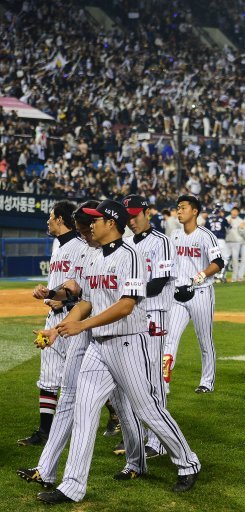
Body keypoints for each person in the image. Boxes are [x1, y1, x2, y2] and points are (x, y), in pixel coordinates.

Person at [35, 199, 200, 504]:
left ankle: (187, 461)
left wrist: (82, 327)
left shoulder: (131, 256)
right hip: (99, 347)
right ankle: (72, 485)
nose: (90, 225)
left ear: (111, 223)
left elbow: (126, 306)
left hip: (127, 343)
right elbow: (85, 301)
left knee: (148, 410)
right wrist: (56, 330)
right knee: (84, 412)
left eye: (96, 221)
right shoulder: (95, 257)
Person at [17, 201, 100, 489]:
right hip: (56, 316)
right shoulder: (60, 248)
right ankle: (45, 432)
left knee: (78, 381)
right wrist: (50, 293)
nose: (48, 222)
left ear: (62, 219)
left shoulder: (82, 247)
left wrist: (58, 296)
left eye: (51, 217)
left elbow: (79, 291)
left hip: (74, 318)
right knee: (51, 379)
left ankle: (127, 436)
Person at [122, 194, 177, 459]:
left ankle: (157, 441)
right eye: (127, 216)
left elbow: (159, 282)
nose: (131, 220)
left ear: (147, 213)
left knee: (154, 377)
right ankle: (142, 435)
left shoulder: (162, 242)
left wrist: (128, 295)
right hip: (132, 314)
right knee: (136, 378)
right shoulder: (125, 243)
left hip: (154, 313)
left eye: (135, 215)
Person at [165, 195, 224, 393]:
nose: (179, 211)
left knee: (204, 339)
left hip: (200, 292)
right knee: (170, 338)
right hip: (177, 295)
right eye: (178, 208)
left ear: (195, 211)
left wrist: (200, 276)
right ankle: (163, 382)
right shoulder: (174, 235)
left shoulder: (206, 236)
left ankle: (206, 382)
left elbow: (218, 262)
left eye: (182, 208)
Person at [225, 206, 245, 282]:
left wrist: (241, 228)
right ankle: (222, 276)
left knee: (235, 260)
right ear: (231, 211)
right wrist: (228, 224)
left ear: (238, 213)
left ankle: (234, 278)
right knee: (225, 260)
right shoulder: (226, 219)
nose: (234, 212)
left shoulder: (240, 220)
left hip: (236, 242)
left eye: (236, 211)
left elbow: (242, 233)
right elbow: (224, 231)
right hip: (227, 242)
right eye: (233, 211)